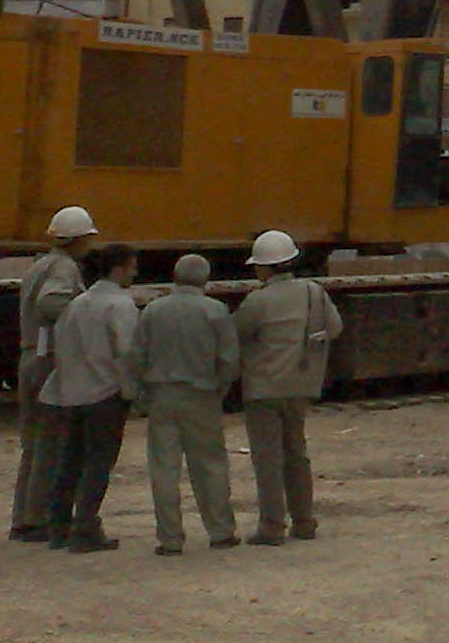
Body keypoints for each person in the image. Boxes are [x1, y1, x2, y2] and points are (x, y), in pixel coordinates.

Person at [232, 229, 343, 546]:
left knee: (267, 458)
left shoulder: (257, 300)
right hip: (300, 385)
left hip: (263, 388)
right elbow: (334, 328)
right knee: (297, 453)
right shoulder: (314, 293)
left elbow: (235, 333)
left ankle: (272, 526)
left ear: (264, 268)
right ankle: (304, 521)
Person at [133, 253, 240, 557]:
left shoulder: (154, 310)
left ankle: (170, 538)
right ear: (205, 278)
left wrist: (141, 391)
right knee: (211, 465)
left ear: (175, 276)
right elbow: (229, 361)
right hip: (203, 395)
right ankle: (220, 531)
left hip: (162, 396)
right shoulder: (216, 311)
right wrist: (220, 388)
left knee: (164, 468)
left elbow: (137, 355)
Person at [40, 241, 141, 552]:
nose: (135, 273)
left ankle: (58, 527)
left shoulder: (76, 304)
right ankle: (86, 527)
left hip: (71, 394)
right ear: (119, 268)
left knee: (69, 461)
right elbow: (127, 353)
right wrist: (133, 392)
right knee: (98, 464)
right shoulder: (121, 305)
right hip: (106, 393)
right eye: (132, 266)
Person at [9, 205, 98, 542]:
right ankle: (39, 519)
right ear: (79, 239)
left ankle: (23, 518)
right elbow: (51, 304)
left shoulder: (39, 265)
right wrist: (84, 318)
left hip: (30, 354)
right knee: (51, 442)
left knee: (33, 444)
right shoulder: (64, 267)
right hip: (48, 359)